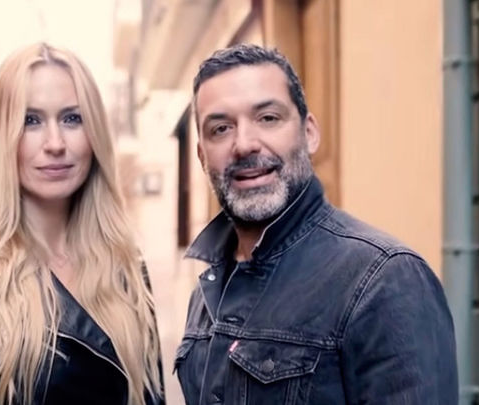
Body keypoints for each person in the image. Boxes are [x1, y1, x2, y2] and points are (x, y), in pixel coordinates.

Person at [174, 44, 457, 404]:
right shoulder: (207, 291)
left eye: (268, 118)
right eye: (220, 128)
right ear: (202, 155)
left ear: (309, 133)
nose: (243, 144)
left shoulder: (384, 280)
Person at [0, 43, 164, 405]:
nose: (55, 143)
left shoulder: (126, 265)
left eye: (72, 118)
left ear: (95, 135)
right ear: (2, 134)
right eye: (31, 120)